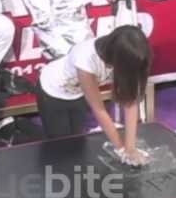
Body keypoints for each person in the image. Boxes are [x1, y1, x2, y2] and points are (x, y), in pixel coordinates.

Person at [36, 25, 152, 166]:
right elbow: (99, 109)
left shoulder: (128, 56)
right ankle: (18, 127)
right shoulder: (86, 59)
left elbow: (130, 101)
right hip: (52, 91)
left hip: (77, 94)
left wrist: (131, 148)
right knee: (60, 145)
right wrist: (122, 150)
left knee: (77, 141)